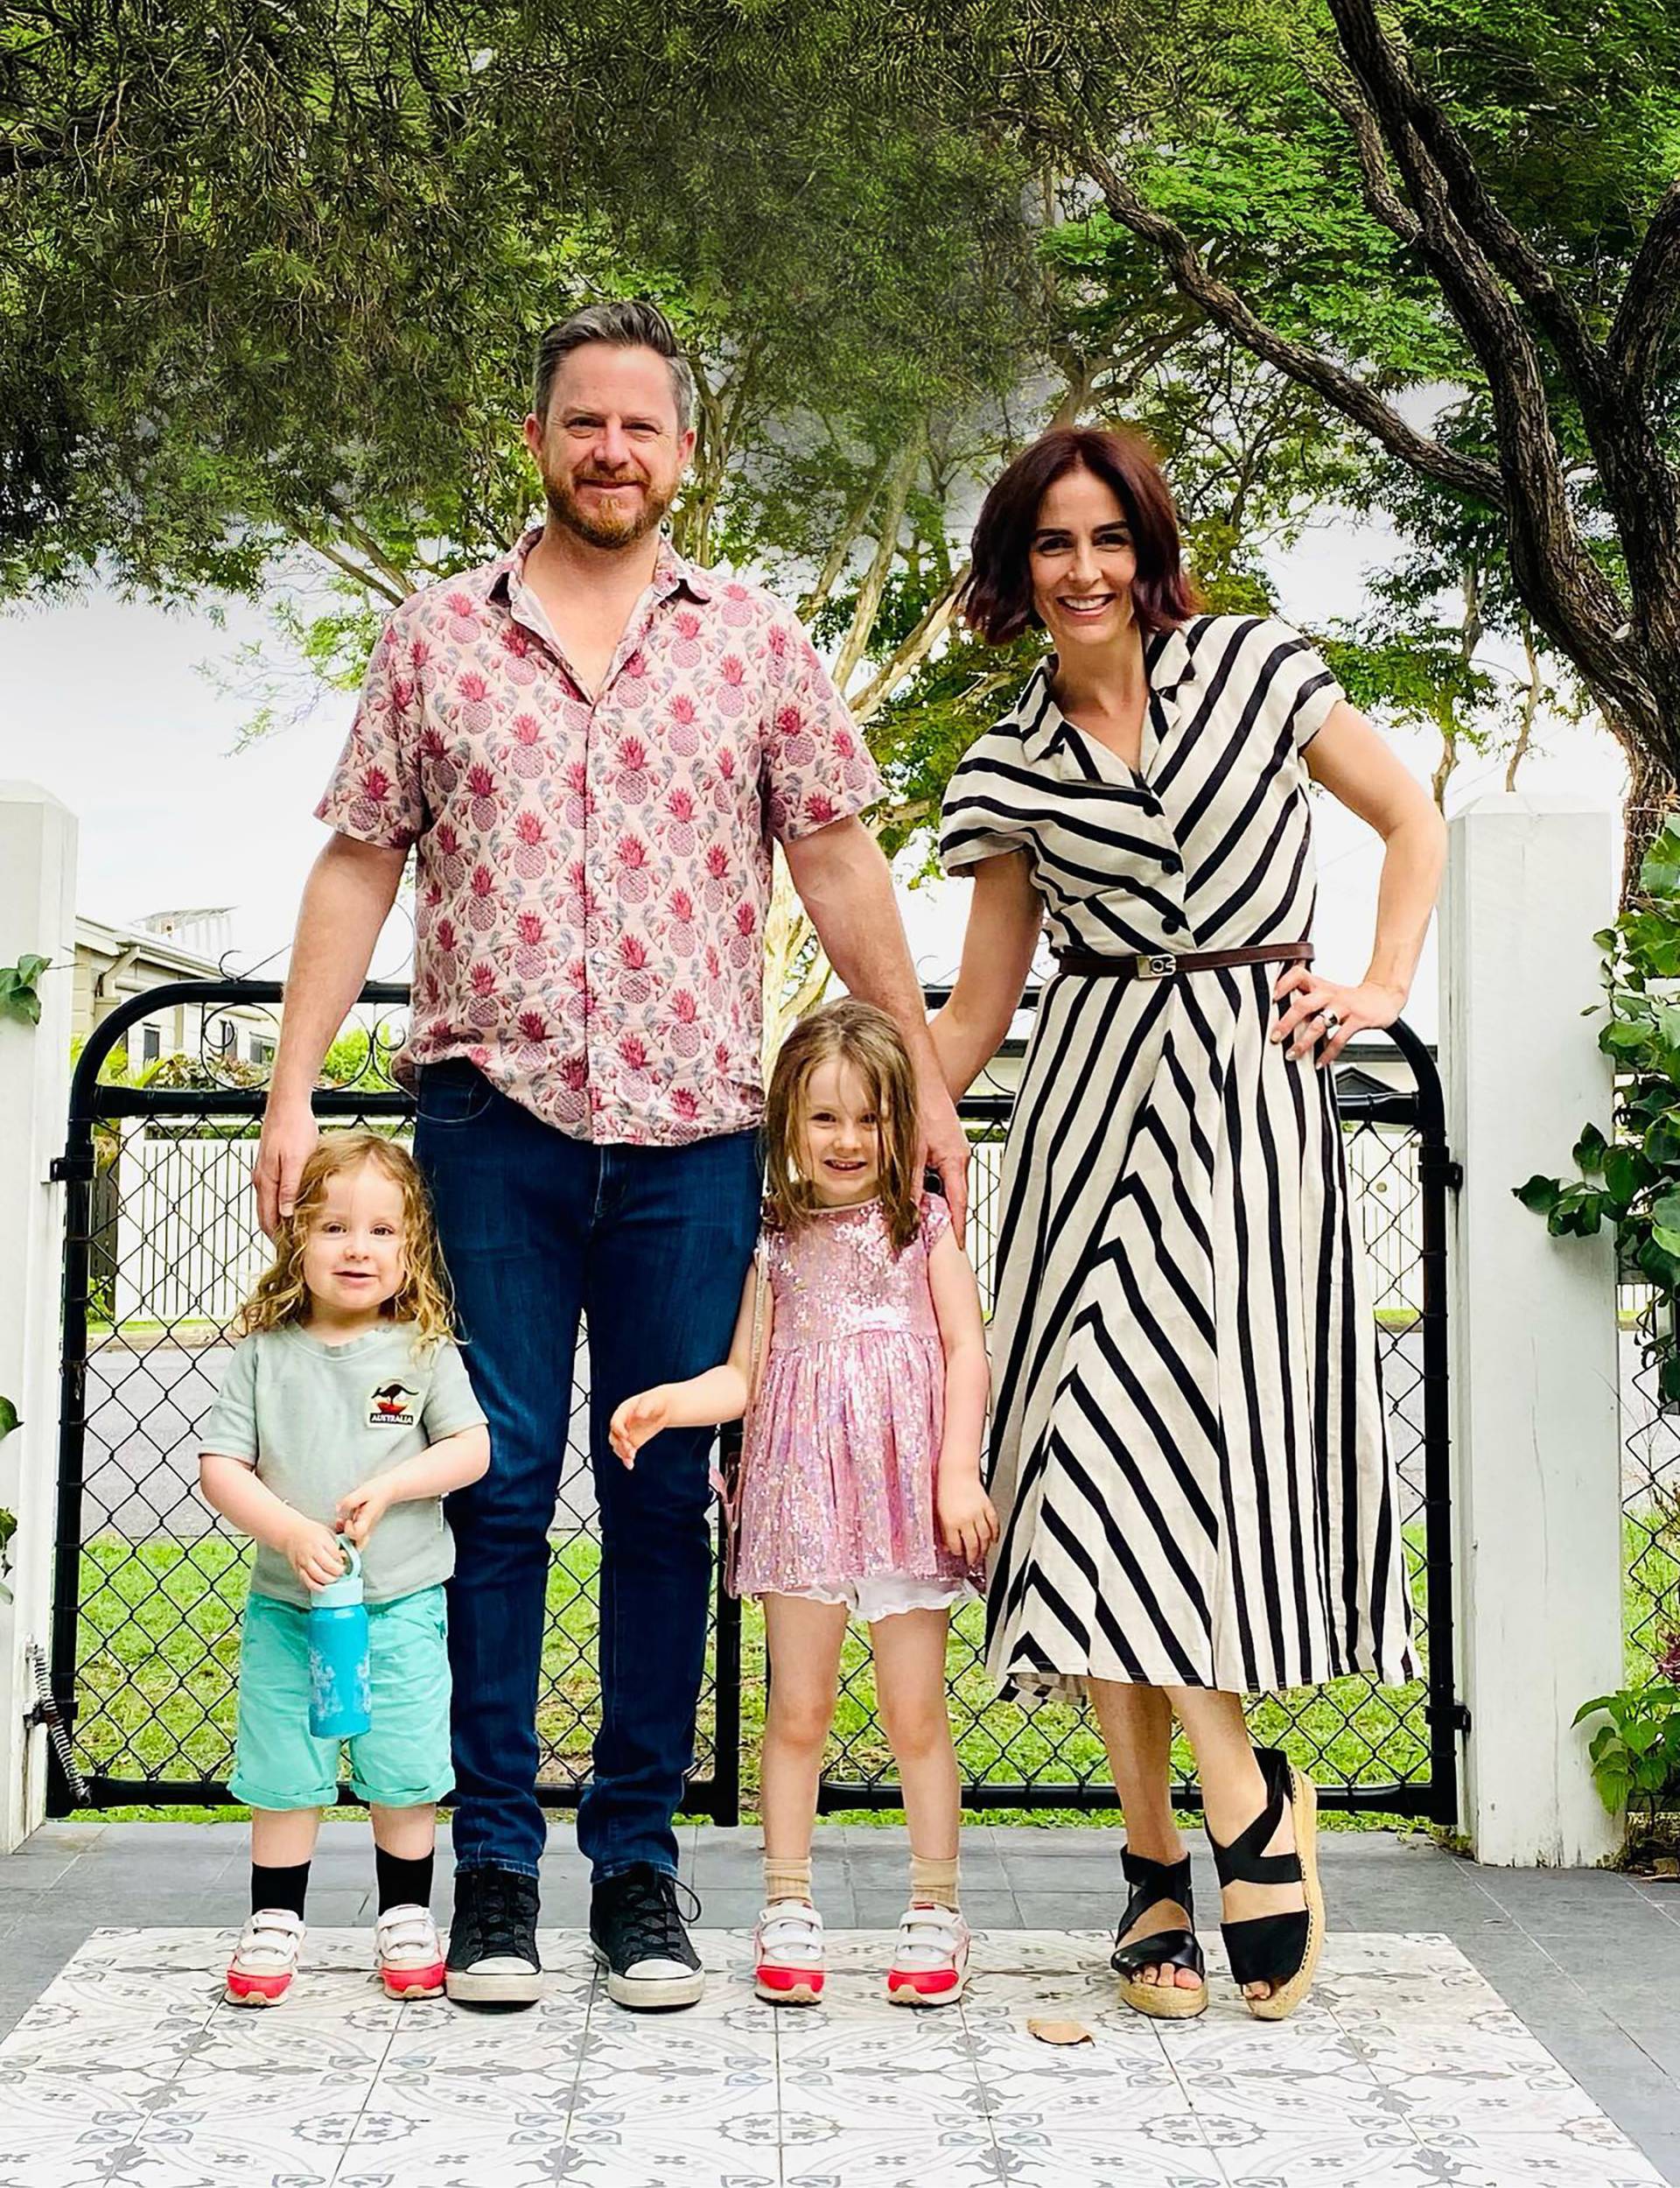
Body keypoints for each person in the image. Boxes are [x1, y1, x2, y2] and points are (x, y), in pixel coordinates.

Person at [253, 299, 969, 2011]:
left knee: (666, 1500)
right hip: (487, 1129)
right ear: (540, 441)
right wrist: (291, 1088)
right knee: (488, 1493)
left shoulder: (759, 647)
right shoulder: (434, 642)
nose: (613, 450)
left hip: (695, 1141)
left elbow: (843, 865)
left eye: (642, 426)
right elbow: (357, 868)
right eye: (585, 422)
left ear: (685, 454)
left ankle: (636, 1866)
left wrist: (927, 1078)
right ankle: (493, 1862)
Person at [930, 425, 1446, 2022]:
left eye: (1105, 538)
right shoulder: (1008, 760)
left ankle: (1186, 1842)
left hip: (1248, 1103)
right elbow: (978, 1012)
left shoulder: (1258, 669)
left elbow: (1412, 822)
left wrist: (1377, 987)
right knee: (1083, 1473)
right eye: (1049, 546)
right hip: (1088, 1110)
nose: (1080, 570)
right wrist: (853, 1101)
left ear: (1144, 546)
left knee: (1184, 1478)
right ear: (1018, 569)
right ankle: (1207, 1824)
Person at [610, 1000, 996, 2007]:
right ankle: (787, 1902)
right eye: (825, 1119)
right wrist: (672, 1402)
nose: (848, 1141)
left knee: (915, 1713)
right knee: (798, 1709)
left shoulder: (924, 1223)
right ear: (787, 1121)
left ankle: (934, 1908)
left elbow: (966, 1349)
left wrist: (959, 1470)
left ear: (900, 1123)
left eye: (869, 1119)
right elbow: (744, 1372)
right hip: (798, 1492)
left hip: (907, 1490)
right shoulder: (773, 1239)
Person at [199, 1132, 490, 2007]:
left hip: (398, 1605)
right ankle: (276, 1918)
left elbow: (471, 1449)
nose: (357, 1248)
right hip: (290, 1608)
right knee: (286, 1765)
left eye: (380, 1231)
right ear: (296, 1238)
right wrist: (289, 1532)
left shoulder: (424, 1350)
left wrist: (397, 1483)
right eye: (332, 1227)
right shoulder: (262, 1352)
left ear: (412, 1249)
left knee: (402, 1763)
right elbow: (221, 1467)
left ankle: (404, 1914)